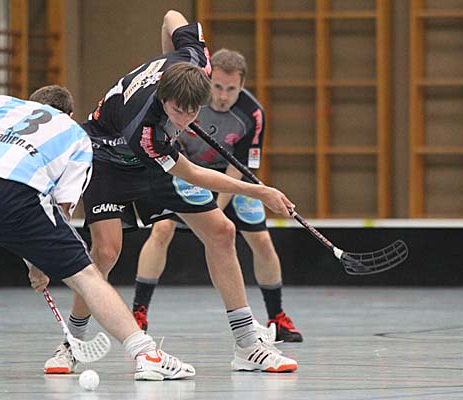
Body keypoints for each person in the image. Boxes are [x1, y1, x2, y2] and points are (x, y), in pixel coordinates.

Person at [43, 10, 298, 375]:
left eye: (193, 112)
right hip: (108, 159)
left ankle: (247, 345)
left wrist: (169, 60)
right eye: (178, 112)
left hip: (157, 156)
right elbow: (192, 173)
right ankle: (72, 344)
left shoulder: (196, 60)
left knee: (222, 232)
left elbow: (171, 16)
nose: (186, 120)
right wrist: (260, 191)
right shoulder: (145, 130)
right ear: (163, 99)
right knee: (106, 252)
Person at [0, 85, 195, 381]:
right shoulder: (76, 135)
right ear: (69, 114)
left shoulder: (8, 106)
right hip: (21, 193)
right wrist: (40, 262)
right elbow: (61, 207)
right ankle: (146, 354)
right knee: (86, 276)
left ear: (32, 103)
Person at [132, 49, 303, 343]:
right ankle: (138, 313)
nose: (223, 96)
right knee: (162, 229)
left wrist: (215, 209)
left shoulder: (253, 114)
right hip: (185, 171)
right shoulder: (189, 101)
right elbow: (173, 154)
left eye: (231, 89)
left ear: (242, 85)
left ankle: (277, 317)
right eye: (218, 87)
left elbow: (239, 168)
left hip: (229, 178)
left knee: (262, 240)